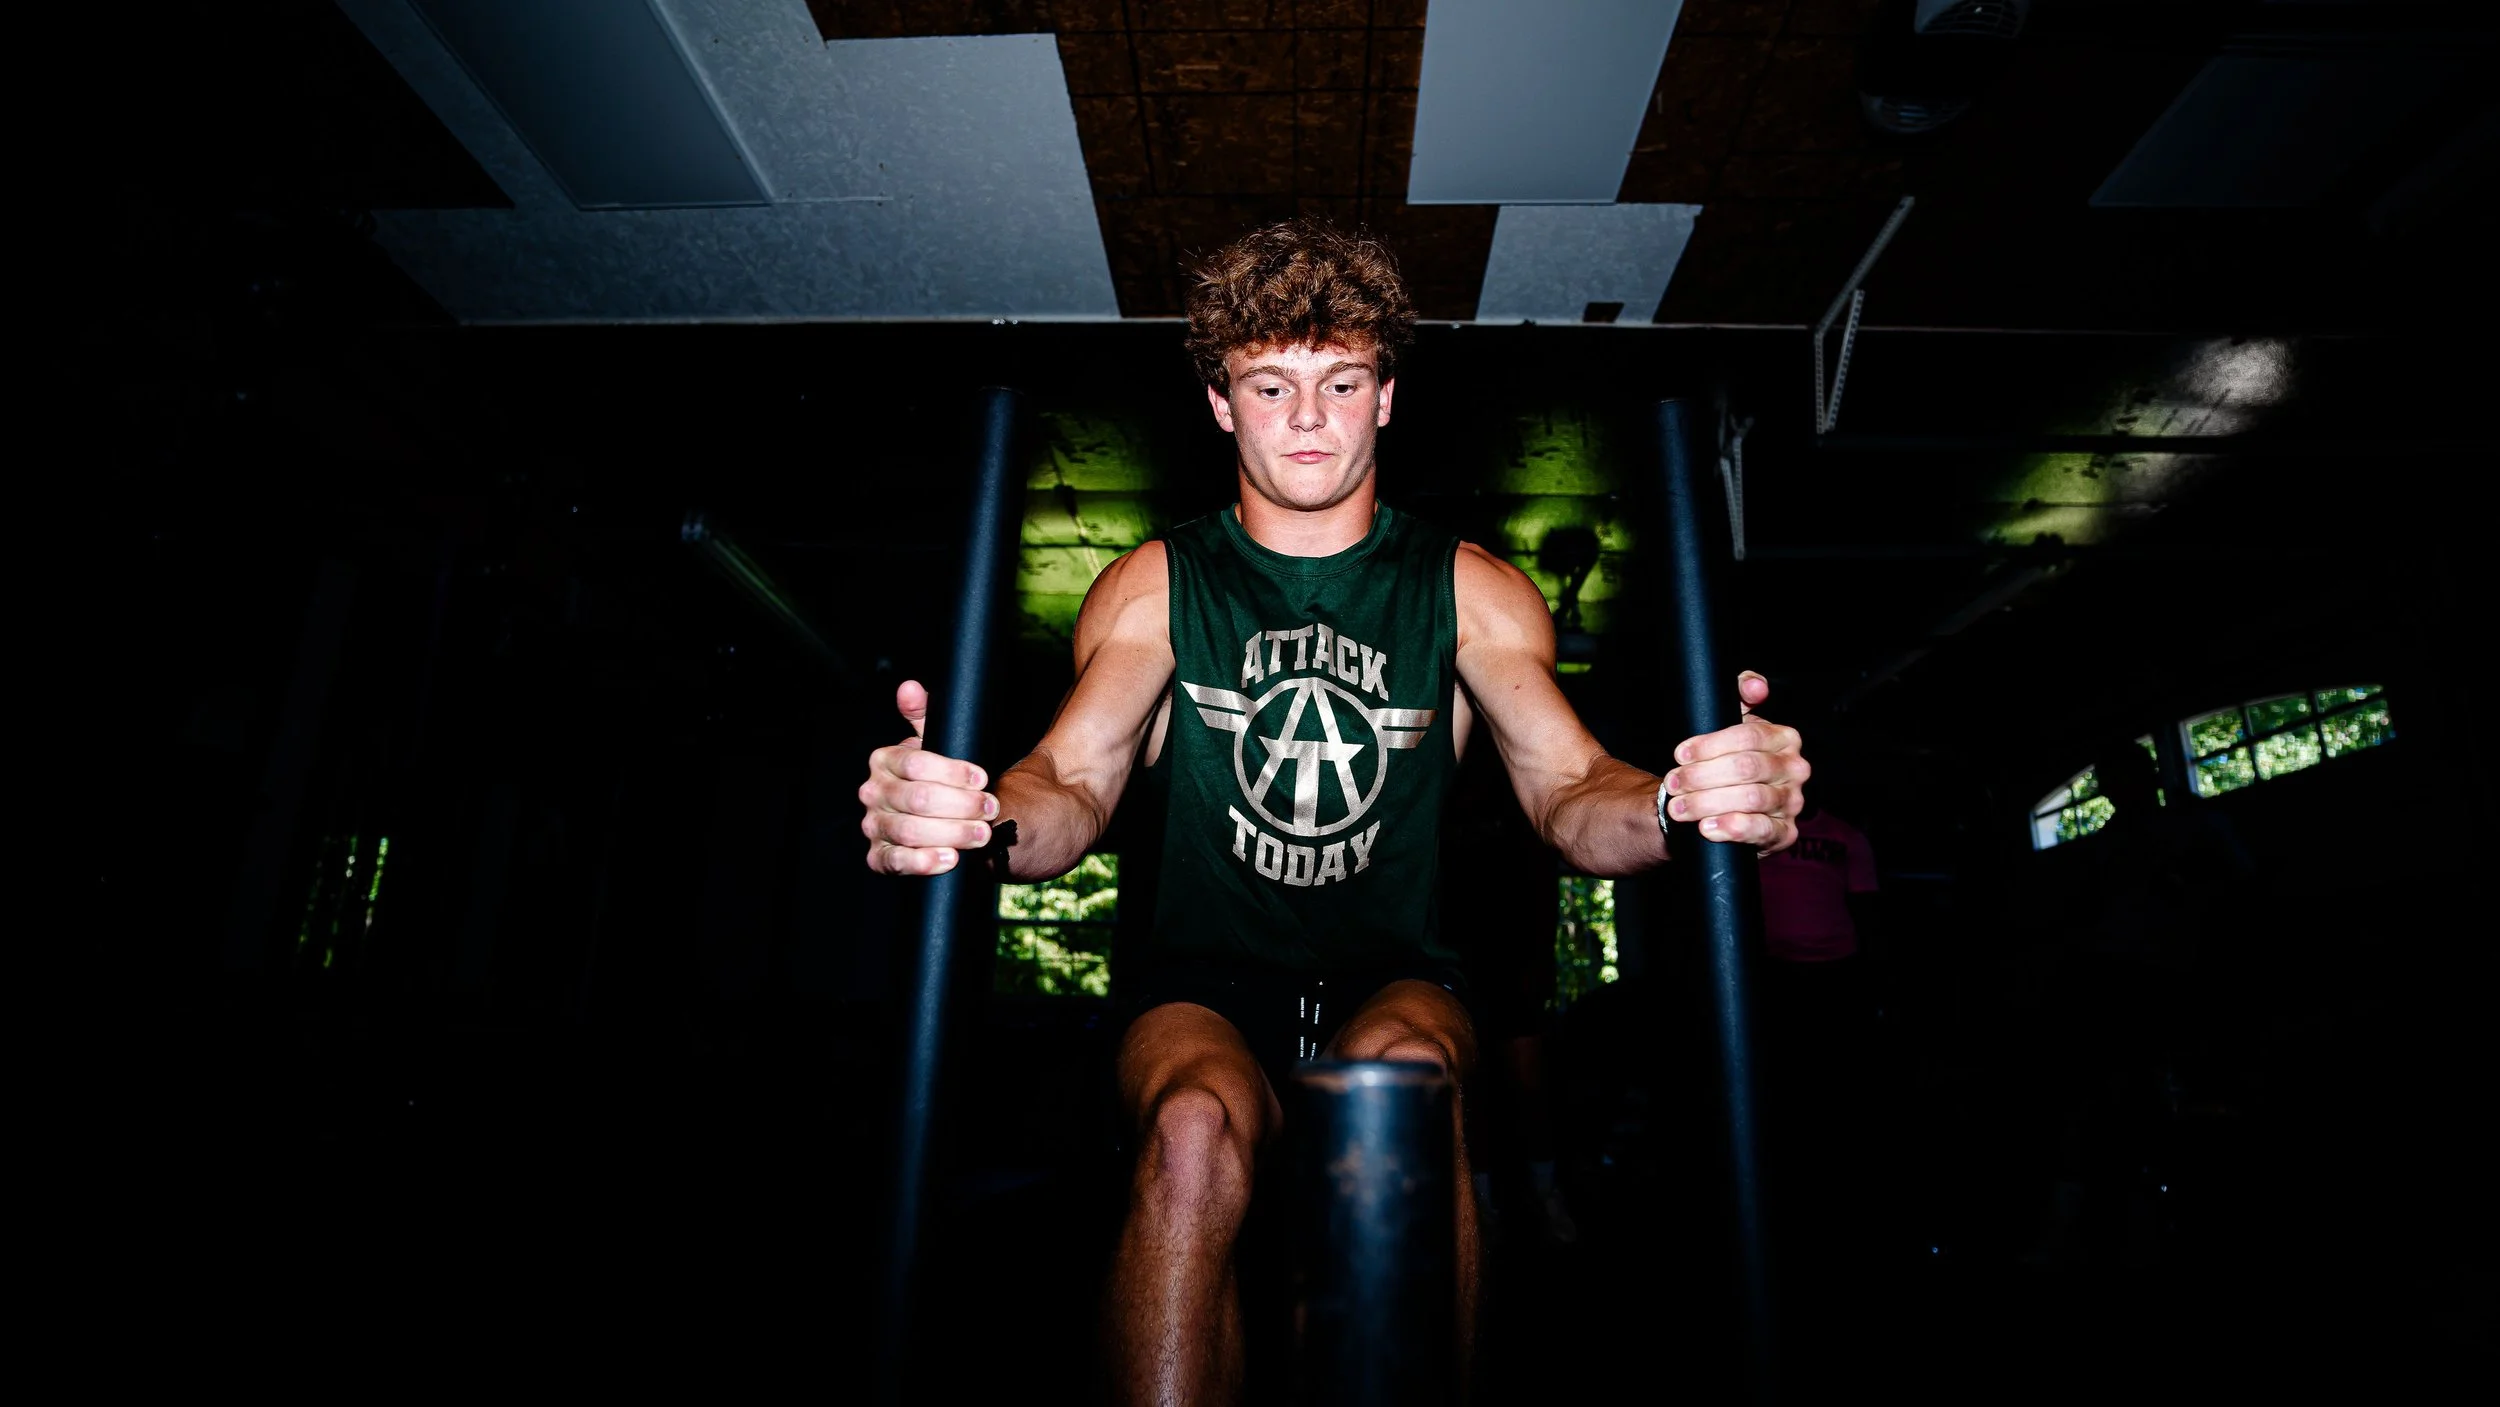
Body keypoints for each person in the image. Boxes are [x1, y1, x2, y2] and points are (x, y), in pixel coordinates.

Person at [857, 218, 1811, 1405]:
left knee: (1398, 1091)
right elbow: (1076, 784)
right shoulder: (1156, 582)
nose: (1307, 419)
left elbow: (1571, 795)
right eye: (1271, 384)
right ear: (1222, 404)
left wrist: (1684, 799)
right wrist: (978, 815)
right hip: (1200, 981)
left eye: (1339, 382)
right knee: (1192, 1140)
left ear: (1384, 396)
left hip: (1390, 973)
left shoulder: (1469, 588)